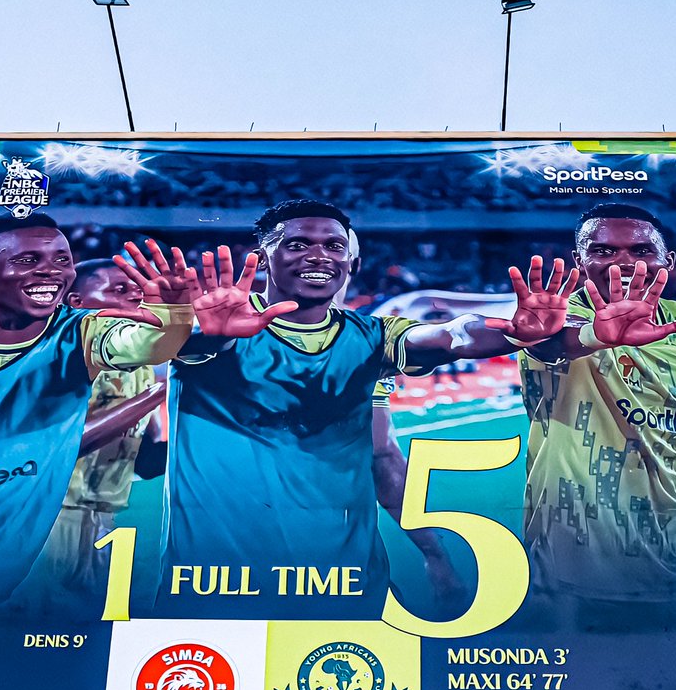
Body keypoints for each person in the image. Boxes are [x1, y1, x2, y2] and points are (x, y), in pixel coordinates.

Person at [130, 198, 576, 617]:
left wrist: (518, 333)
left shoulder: (373, 339)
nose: (317, 255)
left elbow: (451, 338)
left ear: (351, 263)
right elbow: (182, 342)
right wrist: (203, 332)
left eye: (334, 245)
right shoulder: (212, 330)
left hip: (340, 578)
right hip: (215, 580)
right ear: (262, 259)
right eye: (298, 243)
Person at [0, 215, 196, 606]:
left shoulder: (122, 358)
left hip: (100, 515)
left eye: (62, 260)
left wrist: (177, 313)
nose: (50, 271)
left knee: (69, 635)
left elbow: (149, 448)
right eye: (27, 260)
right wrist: (148, 400)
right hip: (46, 511)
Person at [517, 202, 676, 601]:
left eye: (641, 251)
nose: (623, 262)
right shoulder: (555, 318)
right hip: (577, 564)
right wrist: (595, 335)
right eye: (603, 251)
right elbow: (548, 343)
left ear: (668, 261)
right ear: (578, 260)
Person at [20, 257, 169, 608]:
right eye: (119, 290)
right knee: (28, 624)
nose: (135, 298)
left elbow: (148, 466)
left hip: (103, 514)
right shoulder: (59, 357)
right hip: (51, 512)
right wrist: (157, 395)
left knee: (83, 624)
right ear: (77, 302)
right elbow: (60, 446)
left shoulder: (141, 364)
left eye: (138, 290)